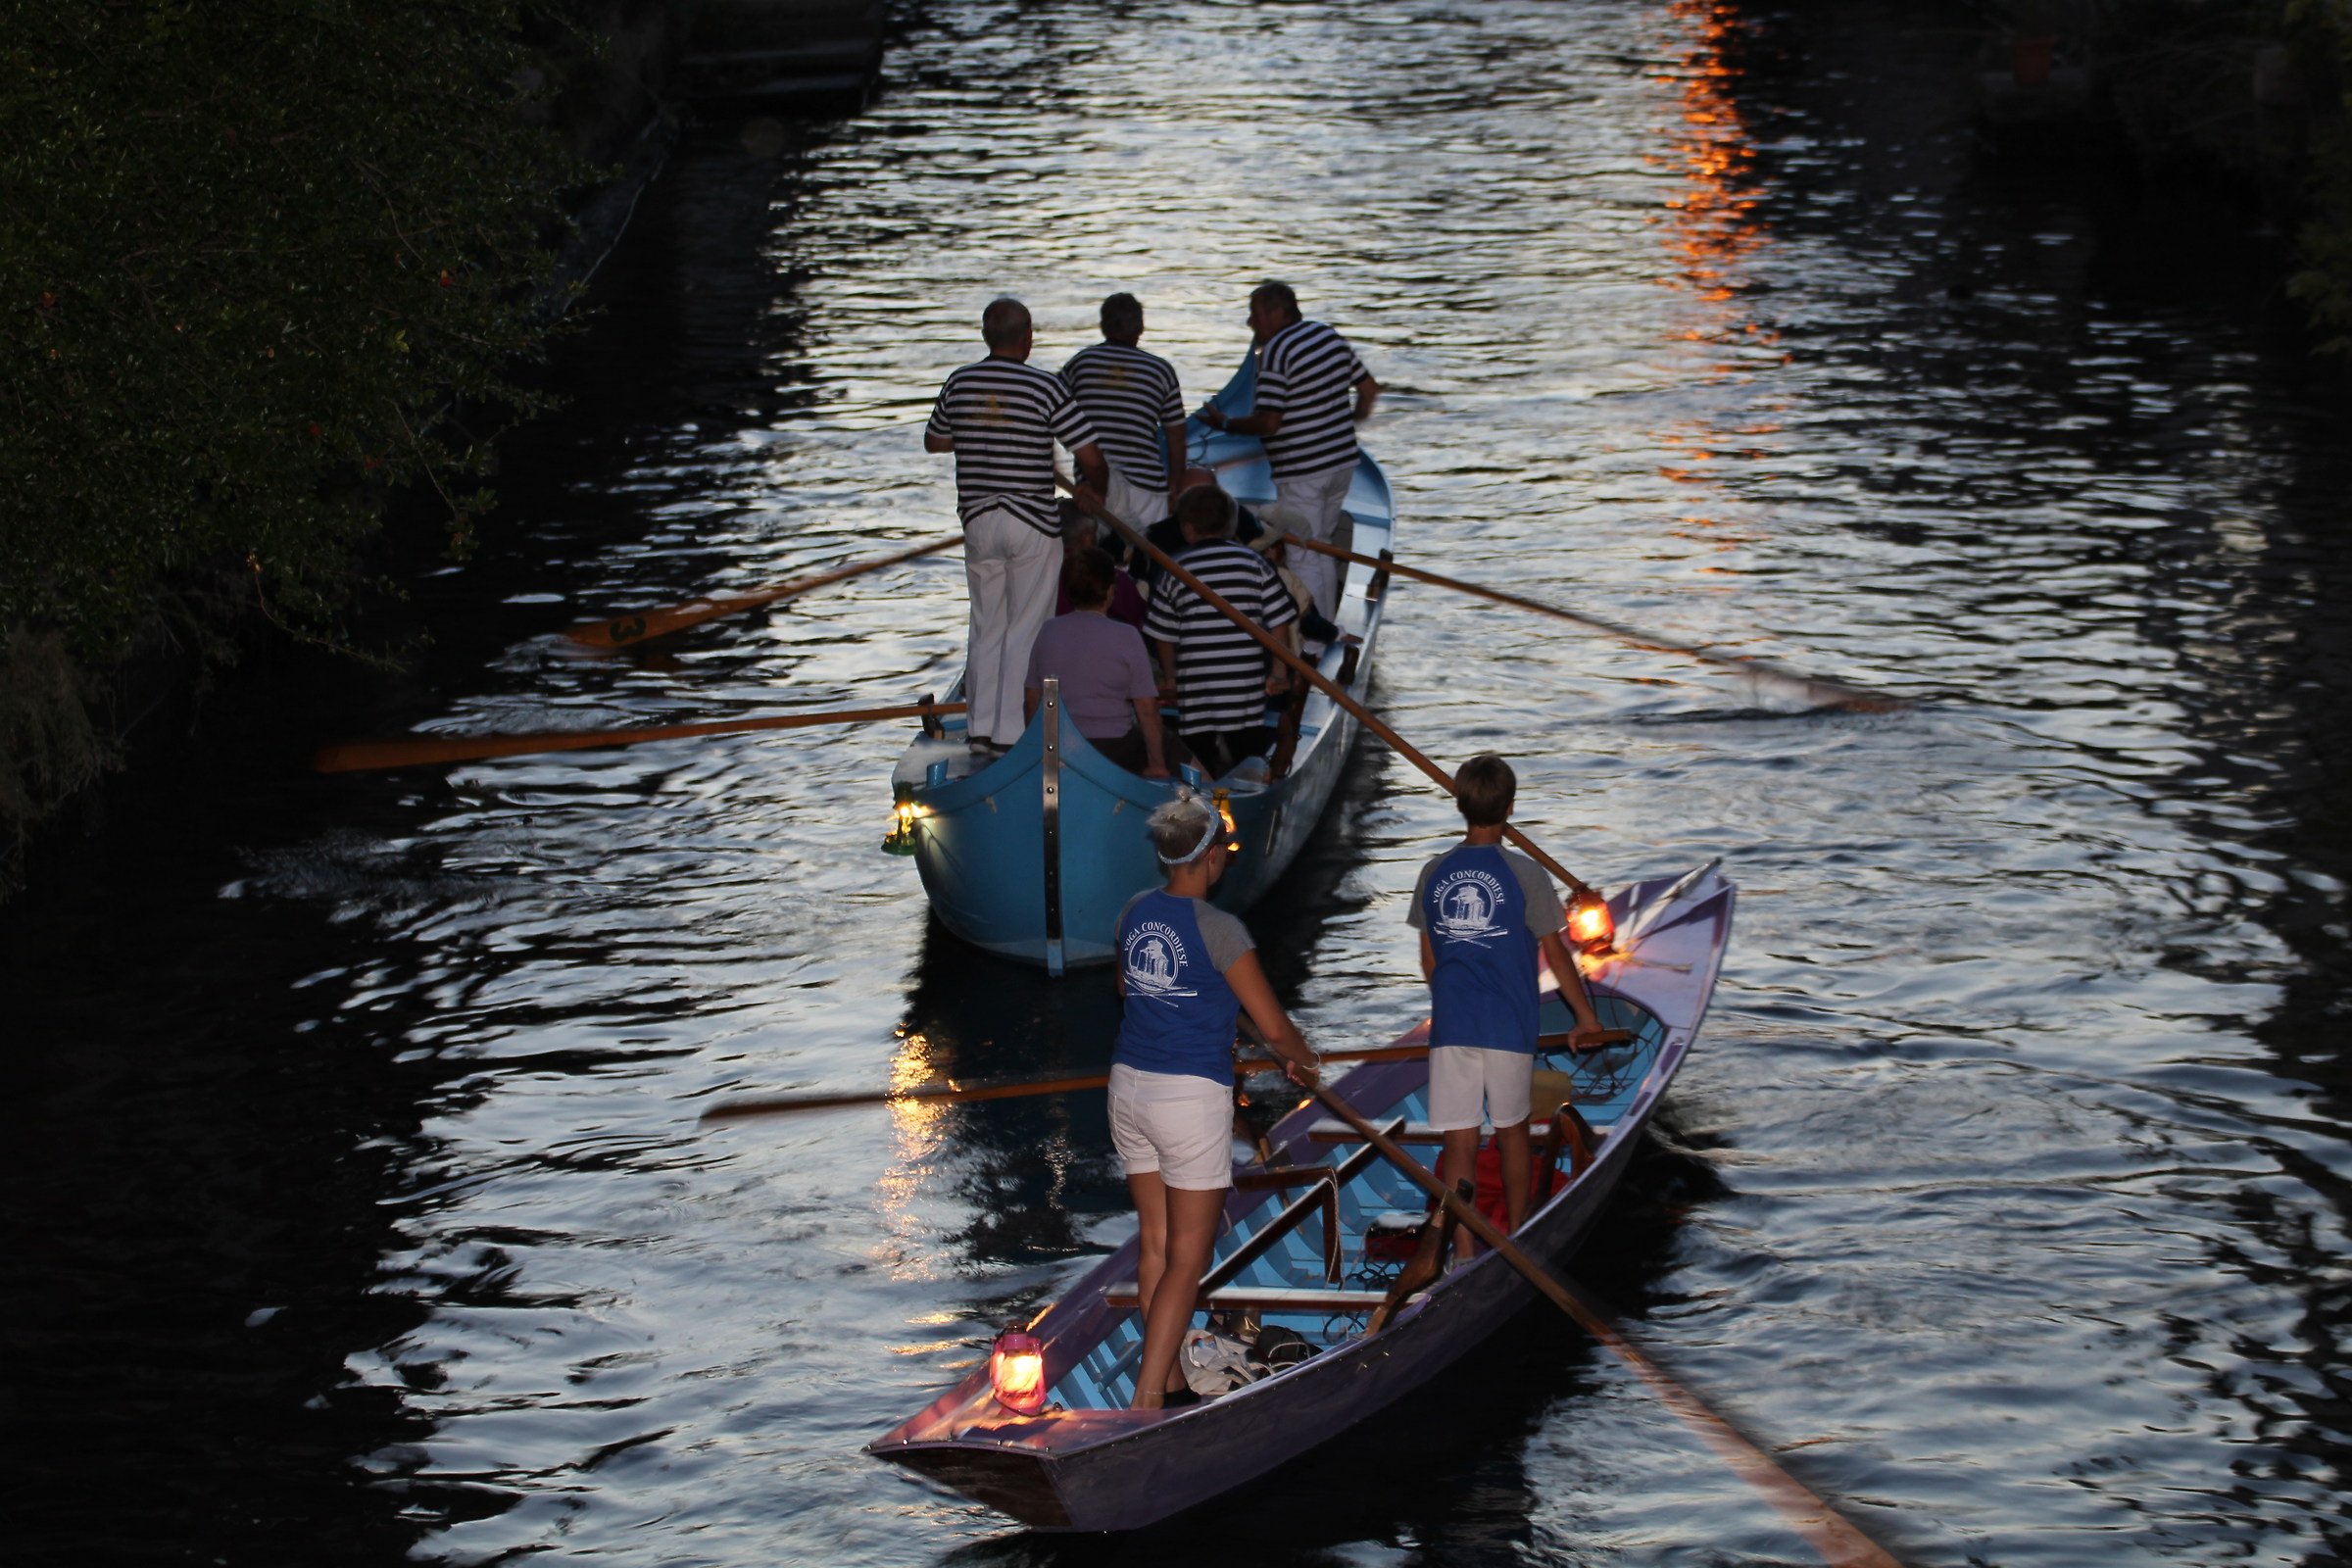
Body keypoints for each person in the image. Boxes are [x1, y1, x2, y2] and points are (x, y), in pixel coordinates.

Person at [1110, 793, 1318, 1409]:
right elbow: (1274, 1027)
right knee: (1186, 1258)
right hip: (1187, 1099)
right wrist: (1304, 1062)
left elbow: (1128, 986)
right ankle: (1147, 1403)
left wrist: (1205, 1011)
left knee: (1154, 1242)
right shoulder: (1221, 930)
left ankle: (1171, 1381)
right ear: (1208, 860)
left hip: (1128, 1089)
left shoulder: (1133, 912)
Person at [1407, 754, 1608, 1240]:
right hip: (1508, 1024)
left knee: (1459, 1142)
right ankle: (1516, 1234)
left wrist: (1454, 1002)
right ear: (1511, 808)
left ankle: (1464, 1250)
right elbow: (1557, 955)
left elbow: (1429, 960)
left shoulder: (1434, 872)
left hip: (1453, 1026)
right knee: (1512, 1131)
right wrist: (1585, 1018)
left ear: (1460, 805)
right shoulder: (1525, 873)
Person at [925, 297, 1108, 753]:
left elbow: (935, 440)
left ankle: (979, 730)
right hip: (1031, 520)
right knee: (1026, 625)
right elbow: (1090, 456)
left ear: (987, 337)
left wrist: (979, 426)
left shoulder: (960, 381)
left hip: (980, 521)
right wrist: (1094, 490)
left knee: (987, 623)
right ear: (1027, 338)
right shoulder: (1045, 387)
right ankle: (1009, 735)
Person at [1195, 281, 1378, 624]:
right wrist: (1346, 425)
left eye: (1255, 314)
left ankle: (1313, 641)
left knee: (1302, 553)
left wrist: (1226, 424)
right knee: (1319, 543)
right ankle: (1324, 628)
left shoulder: (1276, 351)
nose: (1250, 323)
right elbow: (1369, 390)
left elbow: (1269, 423)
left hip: (1303, 472)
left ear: (1278, 313)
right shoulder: (1328, 337)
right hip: (1342, 463)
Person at [1145, 485, 1297, 781]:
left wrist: (1171, 676)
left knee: (1197, 761)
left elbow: (1163, 633)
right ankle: (1245, 793)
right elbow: (1280, 620)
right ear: (1230, 524)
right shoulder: (1255, 563)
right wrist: (1278, 672)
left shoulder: (1174, 569)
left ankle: (1201, 802)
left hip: (1196, 687)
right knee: (1247, 756)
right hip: (1245, 686)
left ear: (1187, 529)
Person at [1024, 546, 1181, 777]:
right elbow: (1147, 711)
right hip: (1115, 747)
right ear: (1109, 591)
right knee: (1170, 743)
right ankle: (1216, 796)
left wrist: (1036, 753)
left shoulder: (1048, 631)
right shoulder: (1127, 636)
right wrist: (1157, 766)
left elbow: (1031, 700)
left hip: (1060, 748)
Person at [1058, 293, 1188, 530]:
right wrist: (1174, 488)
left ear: (1103, 326)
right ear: (1140, 328)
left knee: (1104, 565)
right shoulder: (1160, 370)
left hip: (1097, 491)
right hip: (1147, 490)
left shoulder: (1080, 364)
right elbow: (1177, 440)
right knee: (1144, 565)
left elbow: (1053, 417)